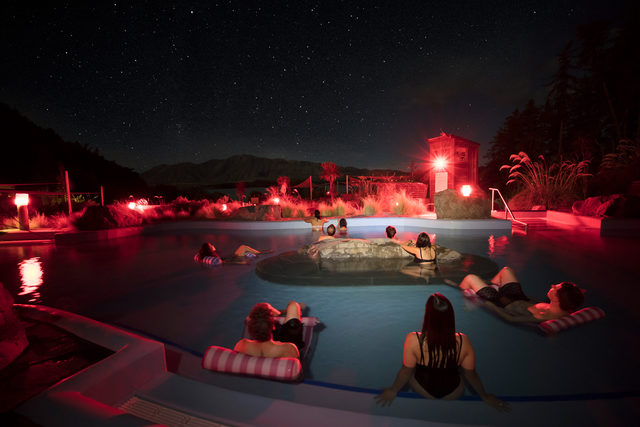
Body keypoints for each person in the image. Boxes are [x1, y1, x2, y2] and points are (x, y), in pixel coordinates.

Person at [375, 293, 508, 411]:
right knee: (462, 371)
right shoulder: (462, 341)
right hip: (453, 393)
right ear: (451, 316)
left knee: (411, 370)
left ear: (428, 315)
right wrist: (484, 396)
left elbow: (406, 371)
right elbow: (471, 374)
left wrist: (393, 391)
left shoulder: (413, 339)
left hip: (423, 390)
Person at [451, 266, 585, 323]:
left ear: (556, 298)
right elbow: (532, 301)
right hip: (519, 297)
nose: (552, 285)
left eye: (555, 287)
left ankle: (459, 293)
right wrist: (523, 295)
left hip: (502, 302)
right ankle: (488, 286)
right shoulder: (561, 309)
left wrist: (489, 304)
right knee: (506, 270)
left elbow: (511, 319)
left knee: (470, 277)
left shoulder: (543, 316)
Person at [234, 301, 305, 358]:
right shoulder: (289, 349)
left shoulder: (242, 345)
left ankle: (273, 313)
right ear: (273, 327)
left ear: (251, 329)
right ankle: (277, 312)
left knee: (261, 309)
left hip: (263, 349)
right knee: (293, 305)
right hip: (279, 348)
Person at [196, 242, 263, 265]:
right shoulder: (214, 257)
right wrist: (241, 263)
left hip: (232, 257)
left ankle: (258, 252)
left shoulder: (210, 255)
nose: (213, 245)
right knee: (243, 247)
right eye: (211, 245)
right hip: (235, 258)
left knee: (243, 247)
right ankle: (260, 252)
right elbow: (225, 262)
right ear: (209, 248)